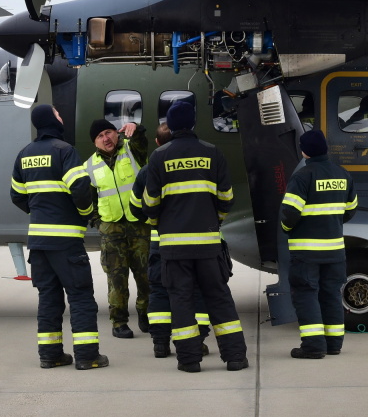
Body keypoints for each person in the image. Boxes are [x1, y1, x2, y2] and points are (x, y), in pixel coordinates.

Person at [142, 100, 248, 373]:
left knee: (181, 301)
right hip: (208, 245)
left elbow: (151, 203)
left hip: (174, 248)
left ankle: (189, 361)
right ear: (192, 124)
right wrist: (215, 222)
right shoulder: (213, 153)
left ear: (172, 126)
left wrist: (160, 225)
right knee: (219, 297)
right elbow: (226, 198)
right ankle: (235, 357)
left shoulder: (159, 157)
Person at [11, 104, 108, 370]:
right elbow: (79, 186)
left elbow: (17, 195)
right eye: (58, 113)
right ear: (51, 120)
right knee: (80, 297)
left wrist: (39, 210)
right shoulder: (64, 151)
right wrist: (85, 212)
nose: (61, 116)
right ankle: (88, 357)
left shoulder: (24, 155)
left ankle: (50, 355)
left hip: (39, 242)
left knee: (49, 299)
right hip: (65, 242)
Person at [129, 124, 211, 359]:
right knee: (195, 291)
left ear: (156, 143)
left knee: (160, 291)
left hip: (161, 242)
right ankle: (198, 341)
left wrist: (154, 217)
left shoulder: (148, 170)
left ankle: (160, 343)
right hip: (198, 240)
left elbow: (135, 210)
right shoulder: (202, 162)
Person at [280, 129, 357, 359]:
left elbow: (289, 214)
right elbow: (351, 210)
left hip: (307, 253)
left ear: (304, 152)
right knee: (331, 294)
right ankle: (333, 344)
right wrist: (331, 222)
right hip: (334, 251)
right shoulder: (342, 174)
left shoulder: (303, 176)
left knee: (306, 294)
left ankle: (313, 346)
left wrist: (286, 229)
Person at [84, 117, 151, 339]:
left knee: (146, 275)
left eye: (109, 133)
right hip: (111, 230)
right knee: (116, 278)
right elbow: (90, 199)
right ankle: (119, 322)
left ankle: (145, 312)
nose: (106, 138)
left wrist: (137, 129)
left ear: (117, 134)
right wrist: (97, 221)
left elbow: (142, 143)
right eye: (100, 136)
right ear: (95, 142)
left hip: (138, 225)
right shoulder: (89, 166)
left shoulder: (132, 151)